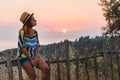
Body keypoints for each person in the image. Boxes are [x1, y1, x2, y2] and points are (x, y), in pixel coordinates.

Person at [17, 12, 49, 80]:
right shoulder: (22, 33)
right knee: (32, 76)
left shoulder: (35, 32)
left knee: (46, 69)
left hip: (34, 55)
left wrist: (36, 57)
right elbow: (22, 48)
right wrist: (31, 59)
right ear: (28, 22)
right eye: (33, 19)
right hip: (24, 56)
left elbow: (37, 45)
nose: (35, 20)